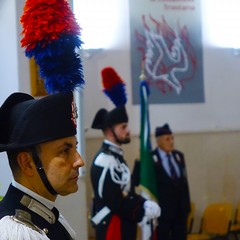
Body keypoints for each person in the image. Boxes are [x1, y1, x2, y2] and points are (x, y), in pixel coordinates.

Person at [0, 91, 85, 240]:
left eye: (74, 148)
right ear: (26, 163)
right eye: (65, 151)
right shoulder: (17, 232)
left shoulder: (45, 216)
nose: (79, 161)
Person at [90, 104, 161, 240]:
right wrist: (141, 210)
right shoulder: (105, 160)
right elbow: (114, 201)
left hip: (122, 222)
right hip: (112, 224)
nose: (128, 130)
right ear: (110, 131)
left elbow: (126, 190)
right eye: (123, 127)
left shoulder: (115, 156)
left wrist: (143, 202)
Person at [152, 123, 191, 240]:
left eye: (172, 138)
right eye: (167, 139)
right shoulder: (151, 159)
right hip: (163, 214)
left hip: (180, 212)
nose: (171, 142)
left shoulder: (179, 156)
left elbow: (184, 183)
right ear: (158, 141)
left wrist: (187, 206)